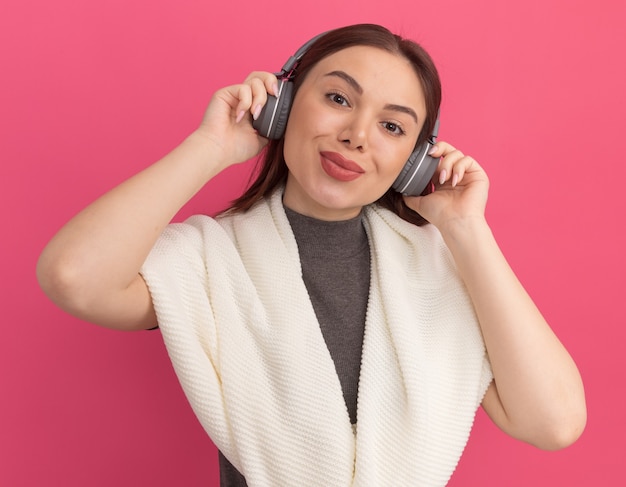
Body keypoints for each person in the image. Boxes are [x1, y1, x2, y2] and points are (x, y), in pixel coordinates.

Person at [37, 23, 586, 486]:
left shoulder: (439, 272)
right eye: (339, 99)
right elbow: (73, 276)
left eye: (391, 126)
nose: (356, 135)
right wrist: (210, 147)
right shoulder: (210, 260)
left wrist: (466, 230)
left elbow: (554, 422)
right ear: (283, 106)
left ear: (413, 162)